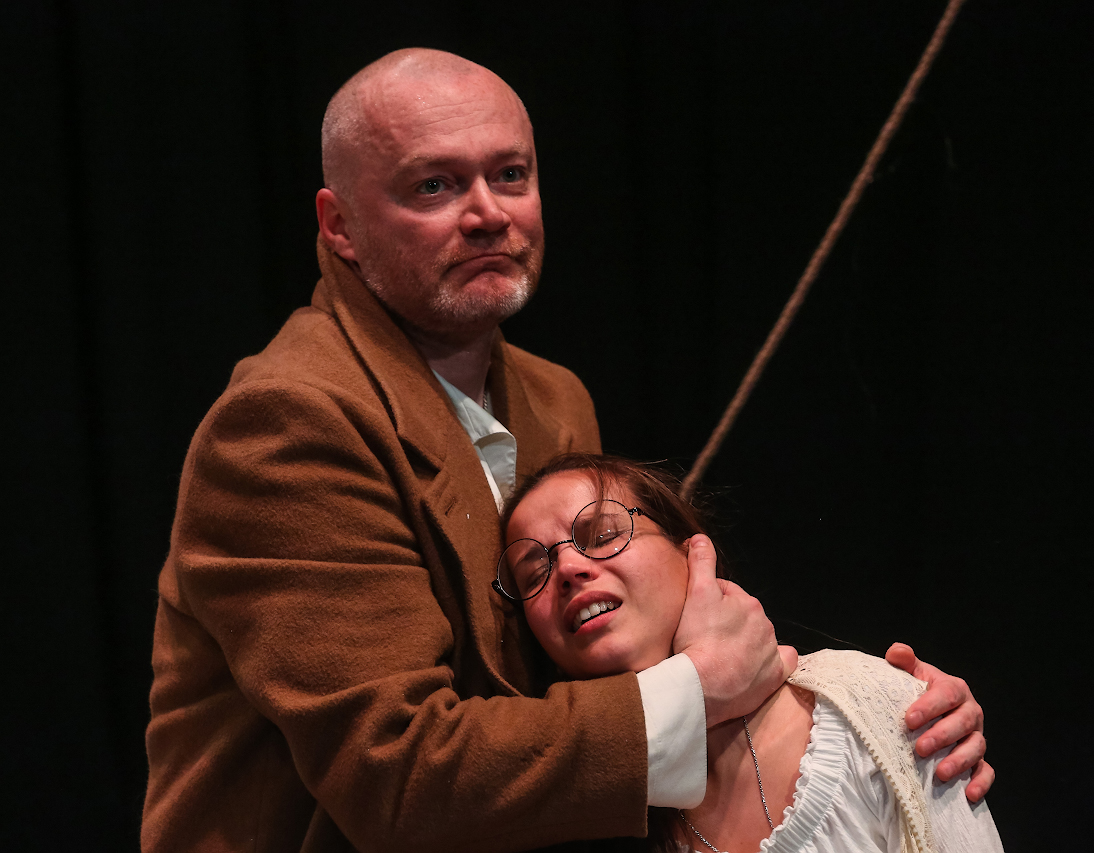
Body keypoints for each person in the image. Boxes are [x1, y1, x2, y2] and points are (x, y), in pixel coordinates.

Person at [142, 48, 991, 852]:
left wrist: (885, 711)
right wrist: (701, 689)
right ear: (341, 226)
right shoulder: (290, 421)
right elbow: (397, 773)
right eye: (435, 185)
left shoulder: (553, 397)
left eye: (510, 175)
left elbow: (617, 667)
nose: (488, 212)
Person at [499, 453, 1004, 852]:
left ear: (690, 550)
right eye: (535, 572)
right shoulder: (583, 823)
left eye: (604, 534)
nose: (568, 568)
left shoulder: (869, 710)